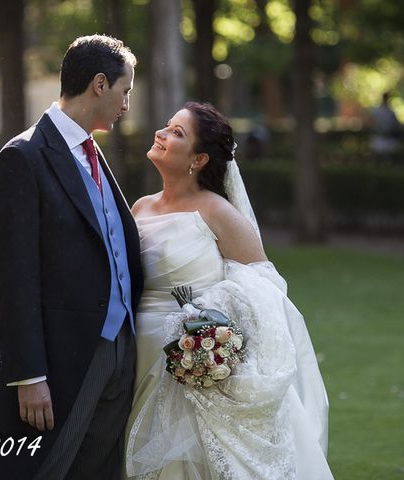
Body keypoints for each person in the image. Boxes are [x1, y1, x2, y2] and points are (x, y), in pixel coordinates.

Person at [124, 102, 333, 479]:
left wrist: (205, 319)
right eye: (168, 126)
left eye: (177, 133)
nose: (162, 133)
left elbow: (264, 283)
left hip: (191, 362)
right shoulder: (140, 209)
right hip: (138, 355)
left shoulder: (217, 212)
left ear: (199, 158)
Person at [0, 35, 143, 480]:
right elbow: (13, 278)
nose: (127, 105)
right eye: (125, 91)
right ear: (99, 85)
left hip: (117, 349)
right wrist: (28, 375)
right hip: (62, 357)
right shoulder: (23, 157)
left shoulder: (92, 152)